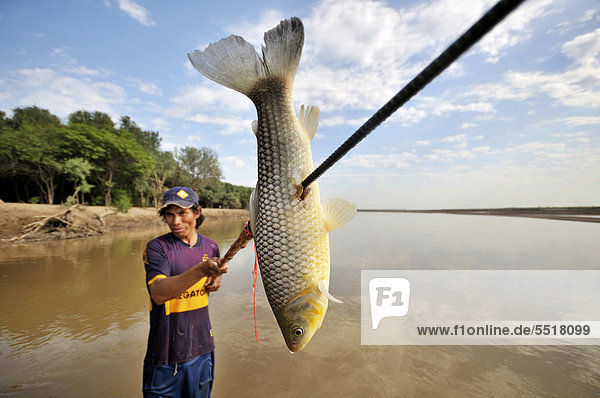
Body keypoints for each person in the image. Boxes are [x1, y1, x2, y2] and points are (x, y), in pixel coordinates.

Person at [142, 186, 228, 398]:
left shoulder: (211, 246)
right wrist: (201, 269)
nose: (175, 221)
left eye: (182, 213)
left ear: (197, 213)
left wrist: (216, 277)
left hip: (202, 350)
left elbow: (212, 279)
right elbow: (159, 293)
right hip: (165, 357)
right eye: (169, 215)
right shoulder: (158, 248)